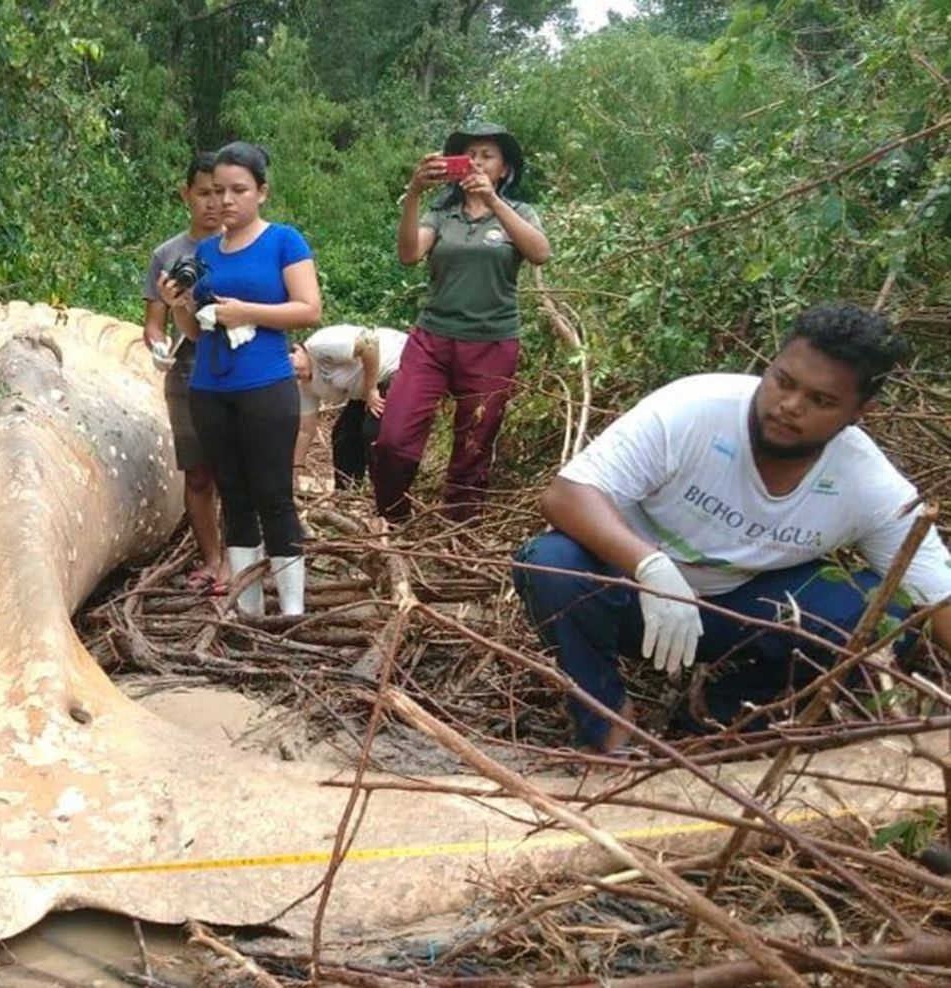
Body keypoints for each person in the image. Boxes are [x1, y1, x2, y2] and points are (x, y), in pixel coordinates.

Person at [513, 304, 951, 753]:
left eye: (821, 401)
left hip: (741, 613)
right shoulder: (695, 410)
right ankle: (606, 720)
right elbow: (565, 495)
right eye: (783, 381)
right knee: (552, 564)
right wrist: (650, 566)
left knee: (890, 612)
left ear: (860, 413)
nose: (790, 406)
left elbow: (938, 596)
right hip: (635, 599)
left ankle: (722, 710)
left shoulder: (866, 482)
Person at [160, 142, 321, 616]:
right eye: (217, 191)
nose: (226, 200)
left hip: (266, 384)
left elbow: (308, 309)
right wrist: (181, 305)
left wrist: (244, 311)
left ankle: (292, 609)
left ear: (261, 192)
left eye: (238, 190)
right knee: (233, 494)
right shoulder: (207, 251)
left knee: (273, 493)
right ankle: (248, 605)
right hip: (210, 387)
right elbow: (193, 331)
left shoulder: (283, 241)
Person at [372, 122, 550, 522]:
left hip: (492, 344)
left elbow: (540, 253)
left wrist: (495, 203)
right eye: (470, 155)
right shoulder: (442, 214)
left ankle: (457, 535)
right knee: (394, 439)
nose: (477, 163)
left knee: (473, 448)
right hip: (432, 340)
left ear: (504, 169)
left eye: (487, 156)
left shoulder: (520, 212)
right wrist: (415, 192)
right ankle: (392, 520)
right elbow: (408, 255)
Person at [144, 153, 227, 593]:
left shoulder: (243, 244)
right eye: (204, 193)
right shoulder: (168, 254)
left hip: (236, 367)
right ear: (186, 194)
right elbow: (154, 323)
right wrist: (158, 347)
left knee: (237, 469)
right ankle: (212, 560)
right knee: (197, 473)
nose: (213, 203)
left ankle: (241, 559)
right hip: (188, 369)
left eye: (221, 192)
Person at [289, 325, 408, 490]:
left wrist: (372, 388)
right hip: (364, 389)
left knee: (373, 431)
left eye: (292, 363)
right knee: (343, 435)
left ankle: (385, 492)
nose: (294, 372)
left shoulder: (319, 347)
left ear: (298, 349)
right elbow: (305, 429)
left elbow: (369, 343)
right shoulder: (303, 385)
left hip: (395, 366)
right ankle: (348, 489)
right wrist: (297, 467)